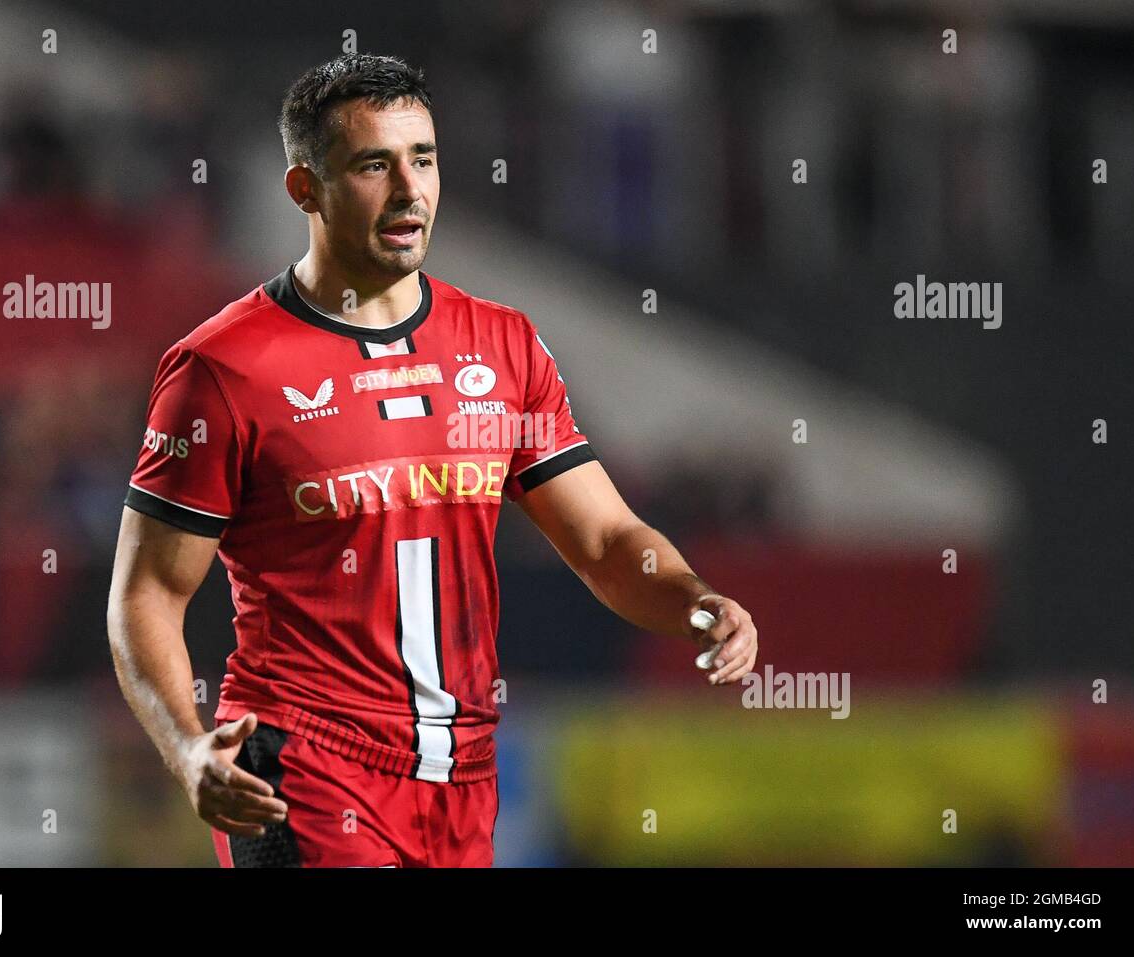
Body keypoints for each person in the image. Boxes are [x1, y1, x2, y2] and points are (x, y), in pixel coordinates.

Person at [106, 53, 757, 868]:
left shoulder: (504, 343)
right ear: (305, 189)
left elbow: (604, 541)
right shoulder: (223, 369)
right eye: (375, 165)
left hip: (463, 785)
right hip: (302, 772)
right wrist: (189, 750)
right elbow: (146, 595)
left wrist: (695, 598)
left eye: (424, 158)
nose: (411, 190)